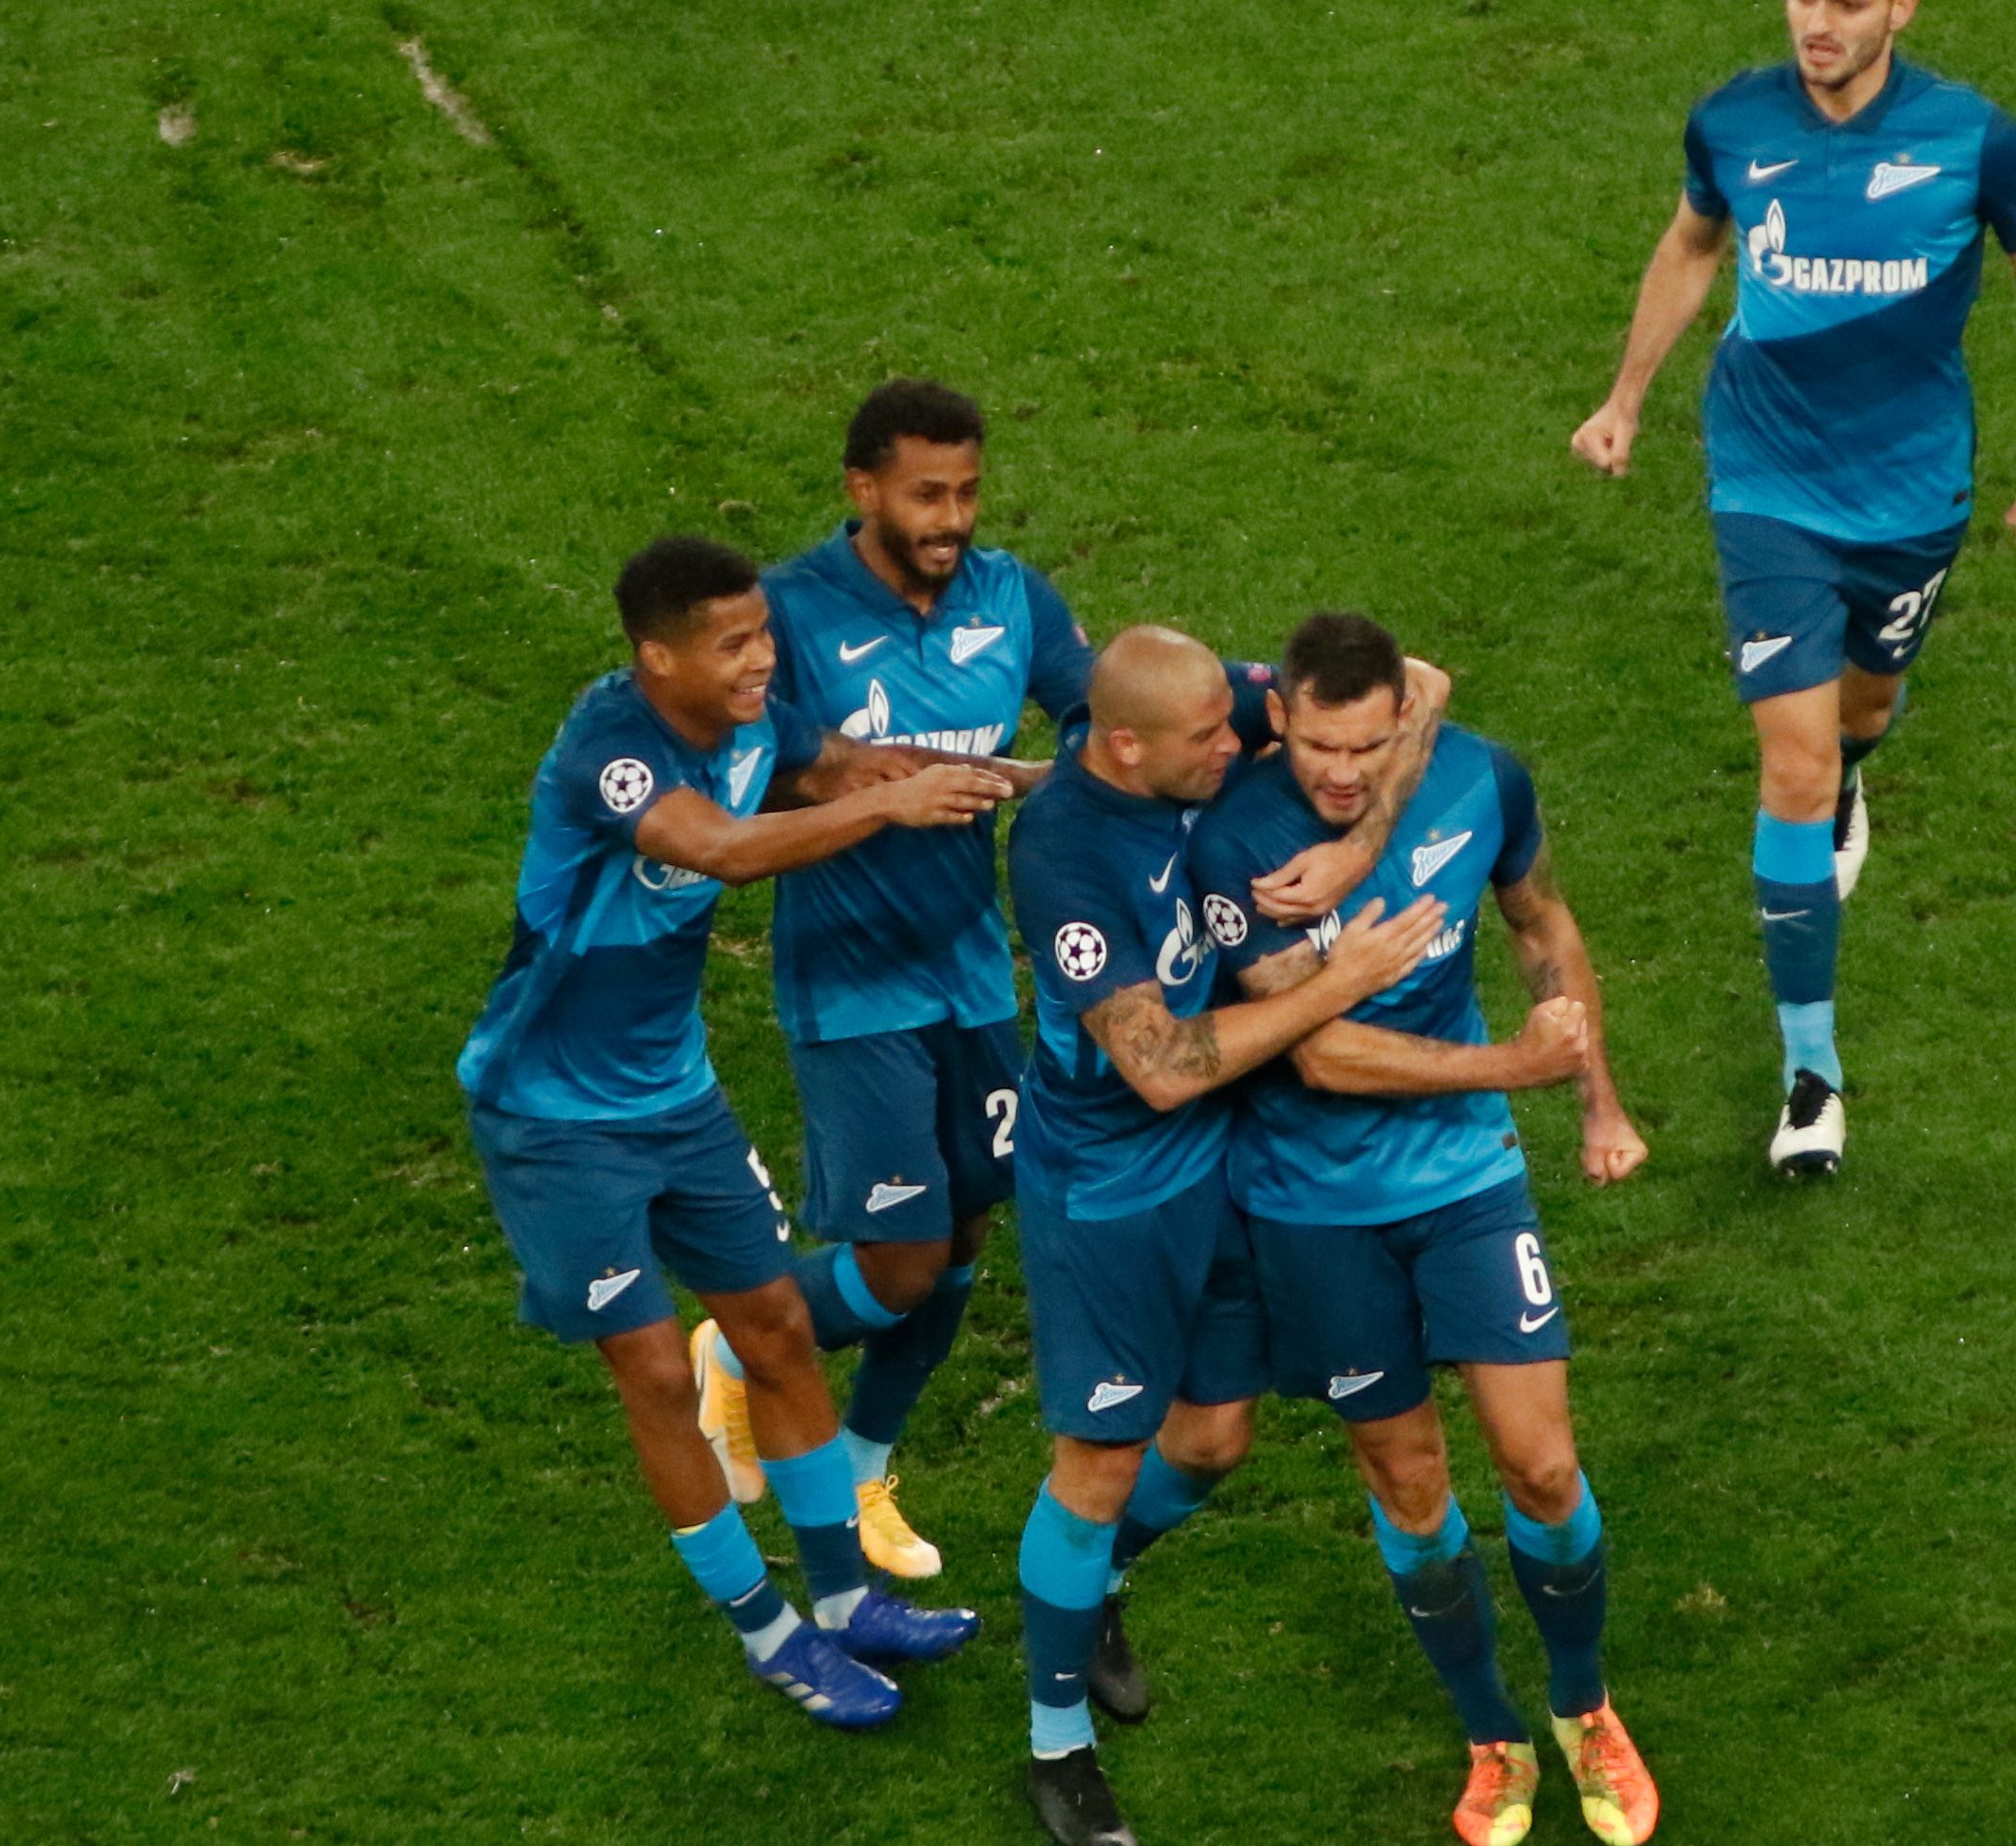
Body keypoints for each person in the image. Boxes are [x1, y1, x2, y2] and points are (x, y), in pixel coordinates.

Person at [688, 380, 1386, 1575]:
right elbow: (759, 766)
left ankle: (862, 1466)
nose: (952, 518)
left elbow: (1098, 724)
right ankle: (736, 1344)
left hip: (971, 968)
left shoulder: (1011, 596)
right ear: (862, 489)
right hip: (853, 980)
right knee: (903, 1259)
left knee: (963, 1234)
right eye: (926, 495)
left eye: (966, 492)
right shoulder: (792, 612)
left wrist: (1049, 774)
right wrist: (879, 778)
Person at [455, 537, 987, 1727]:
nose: (762, 660)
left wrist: (1079, 775)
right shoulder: (612, 749)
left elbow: (857, 765)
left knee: (779, 1329)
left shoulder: (757, 725)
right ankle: (770, 1635)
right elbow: (722, 850)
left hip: (676, 1094)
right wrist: (889, 805)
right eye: (733, 643)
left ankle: (843, 1602)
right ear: (659, 657)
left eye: (763, 636)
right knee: (653, 1369)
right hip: (552, 1114)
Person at [1571, 0, 2016, 1176]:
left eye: (1850, 1)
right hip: (1768, 485)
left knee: (1864, 708)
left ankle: (1857, 769)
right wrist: (1625, 399)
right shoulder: (1733, 121)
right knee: (1793, 766)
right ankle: (1812, 1074)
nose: (1820, 20)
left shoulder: (1975, 139)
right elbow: (1693, 245)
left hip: (1911, 495)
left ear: (1900, 8)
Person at [1191, 612, 1657, 1846]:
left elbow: (1542, 925)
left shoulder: (1480, 777)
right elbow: (1322, 1053)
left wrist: (1598, 1097)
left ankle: (1583, 1706)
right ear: (1280, 718)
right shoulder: (1236, 841)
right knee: (1406, 1479)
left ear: (1405, 717)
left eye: (1367, 747)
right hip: (1312, 1206)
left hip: (1463, 1180)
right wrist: (1513, 1065)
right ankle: (1491, 1734)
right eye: (1318, 748)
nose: (1342, 775)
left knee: (1541, 1465)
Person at [1005, 625, 1448, 1846]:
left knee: (1211, 1439)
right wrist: (1338, 981)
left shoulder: (1202, 718)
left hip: (1221, 1162)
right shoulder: (1064, 856)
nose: (1237, 744)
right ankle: (1057, 1748)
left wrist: (1359, 844)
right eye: (1210, 738)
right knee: (1098, 1466)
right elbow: (1158, 1069)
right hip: (1106, 1186)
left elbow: (1424, 687)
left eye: (1233, 720)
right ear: (1125, 745)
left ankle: (1099, 1587)